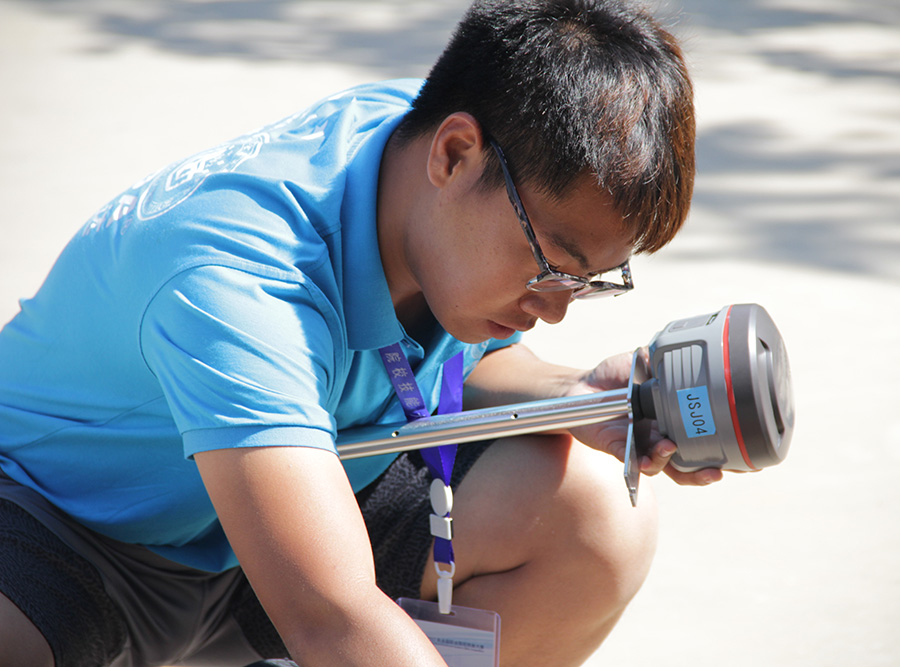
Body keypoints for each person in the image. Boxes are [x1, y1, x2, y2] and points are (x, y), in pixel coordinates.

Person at [0, 1, 718, 665]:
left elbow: (451, 366)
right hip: (67, 533)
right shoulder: (236, 281)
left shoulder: (427, 154)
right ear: (453, 155)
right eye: (549, 263)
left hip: (292, 514)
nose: (555, 309)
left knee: (596, 511)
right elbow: (331, 616)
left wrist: (574, 394)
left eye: (587, 279)